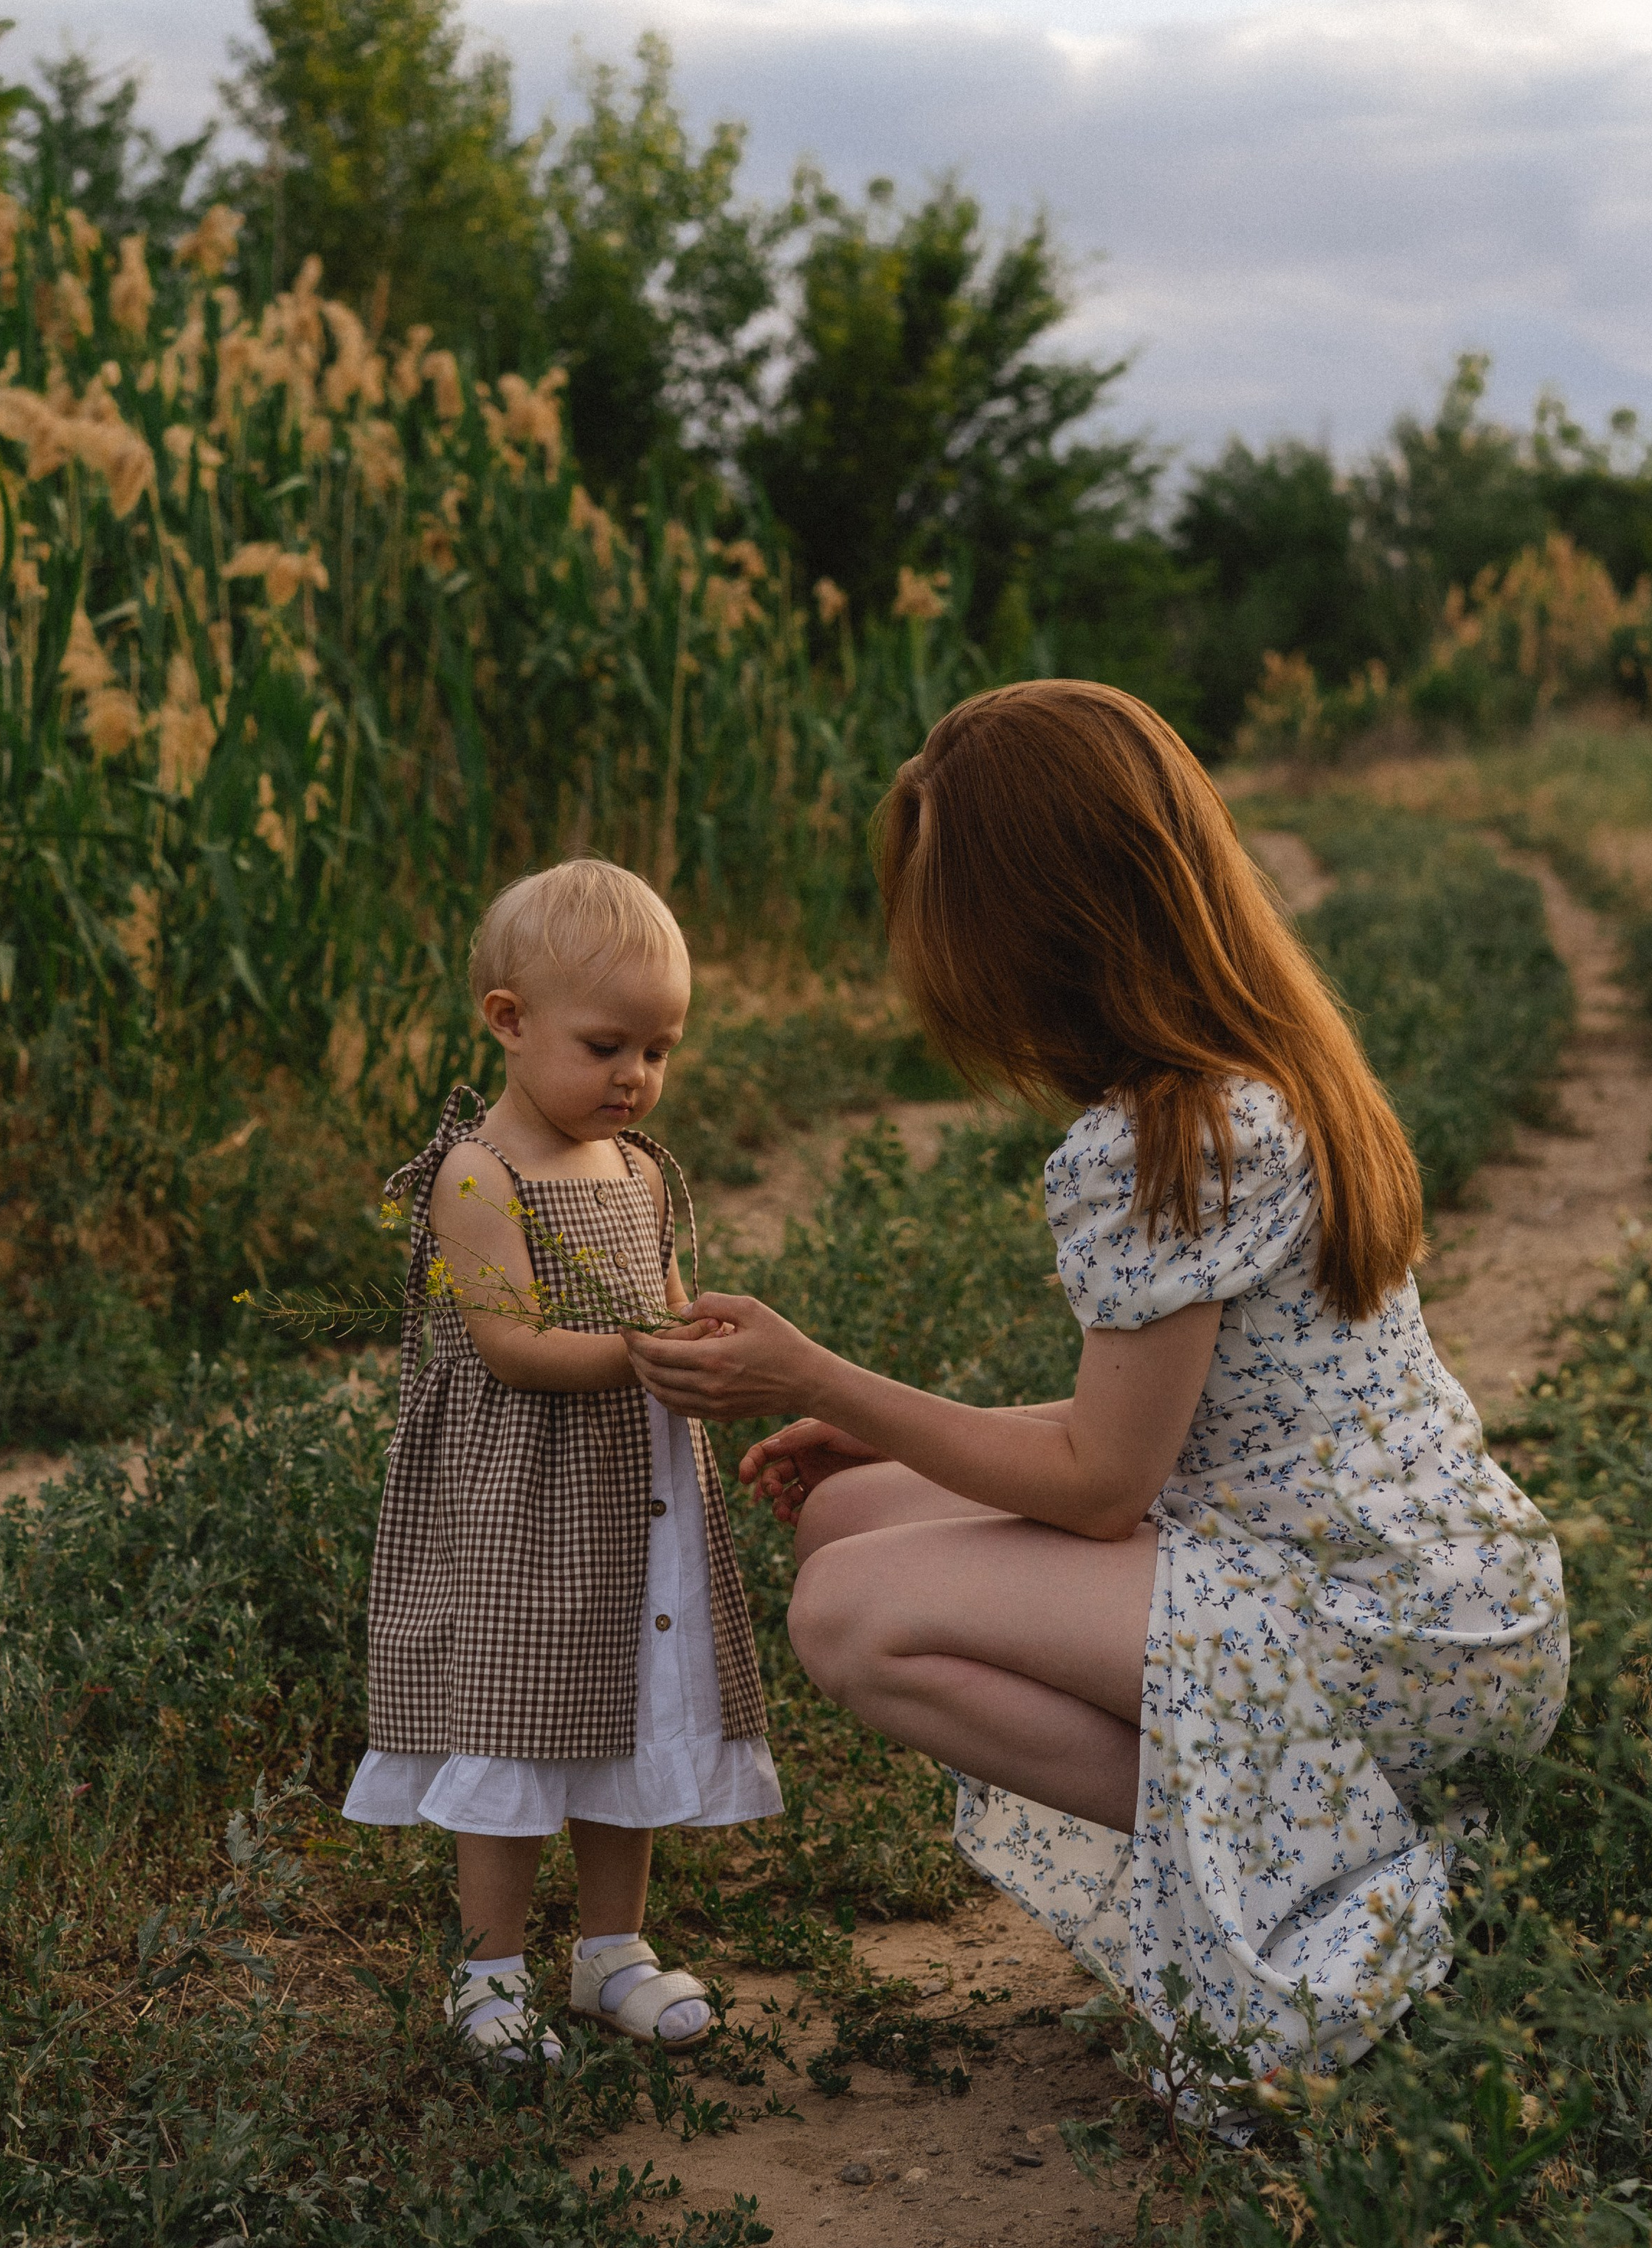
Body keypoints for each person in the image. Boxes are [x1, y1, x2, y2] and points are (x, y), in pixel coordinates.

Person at [628, 682, 1567, 2083]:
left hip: (1383, 1635)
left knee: (846, 1613)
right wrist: (871, 1420)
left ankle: (1321, 1836)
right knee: (848, 1516)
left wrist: (812, 1370)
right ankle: (1283, 1805)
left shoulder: (1169, 1138)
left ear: (1043, 925)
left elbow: (1104, 1487)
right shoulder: (1267, 1064)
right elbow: (1201, 1434)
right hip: (1435, 1587)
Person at [343, 859, 781, 2065]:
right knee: (521, 1717)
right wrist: (654, 1357)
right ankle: (488, 1973)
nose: (636, 1077)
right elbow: (513, 1350)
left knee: (627, 1713)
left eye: (660, 1049)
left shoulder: (638, 1172)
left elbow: (668, 1304)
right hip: (523, 1502)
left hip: (633, 1494)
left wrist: (708, 1347)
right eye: (606, 1046)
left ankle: (609, 1953)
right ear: (509, 1020)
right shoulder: (481, 1175)